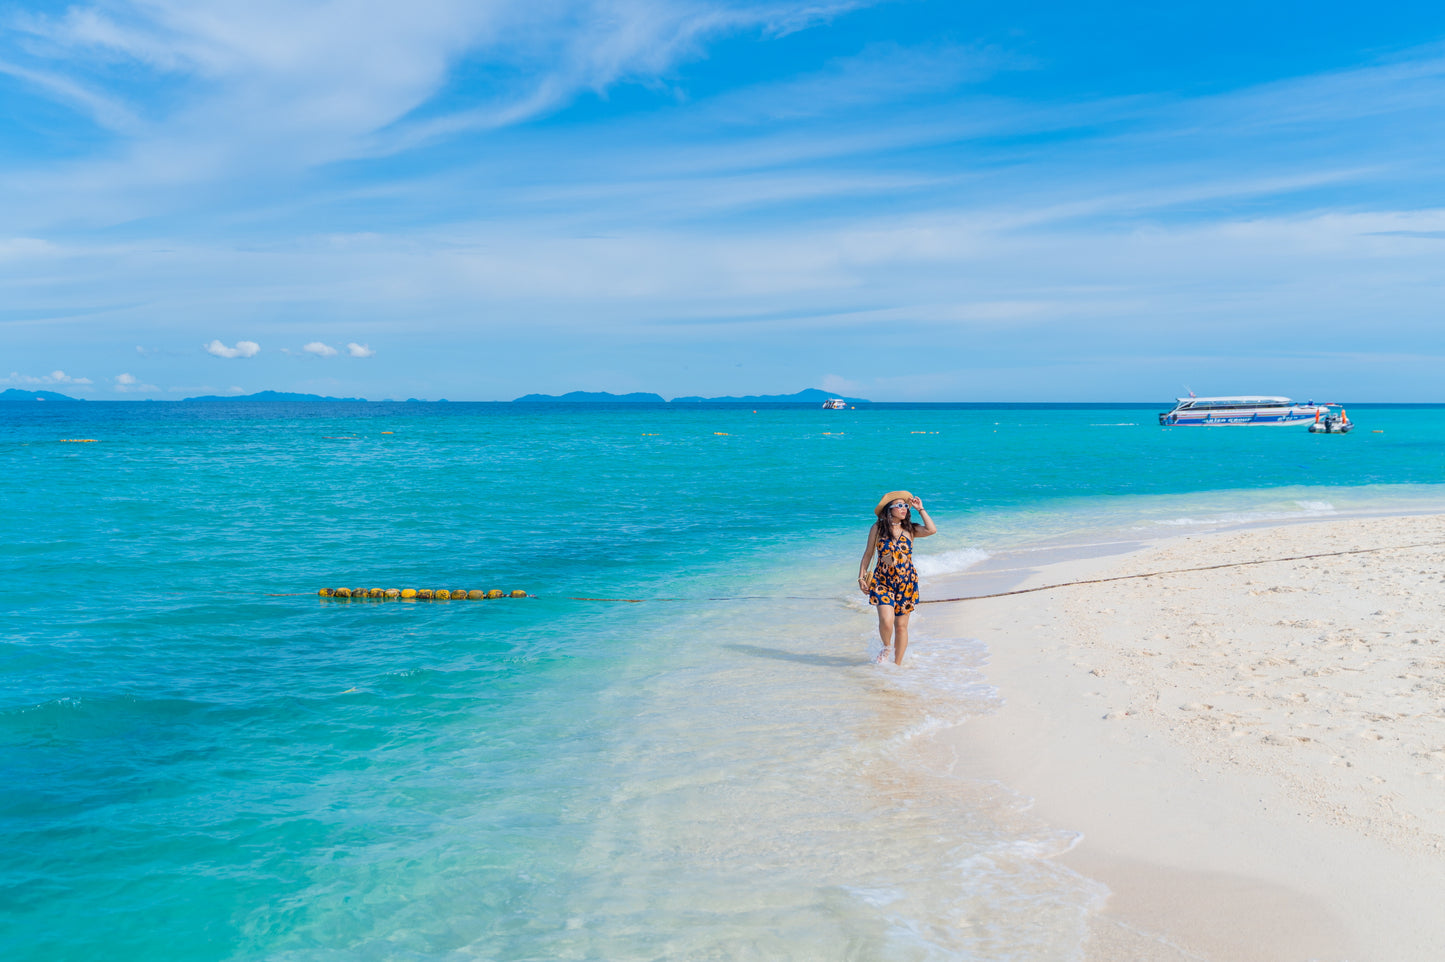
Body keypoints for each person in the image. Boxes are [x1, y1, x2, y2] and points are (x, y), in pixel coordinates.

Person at [857, 491, 936, 665]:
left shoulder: (911, 529)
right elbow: (869, 553)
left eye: (905, 506)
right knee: (886, 621)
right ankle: (886, 646)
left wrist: (920, 509)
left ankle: (897, 666)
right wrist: (861, 577)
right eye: (899, 505)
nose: (904, 509)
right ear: (889, 509)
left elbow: (931, 530)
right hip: (882, 581)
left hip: (906, 583)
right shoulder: (878, 529)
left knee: (901, 627)